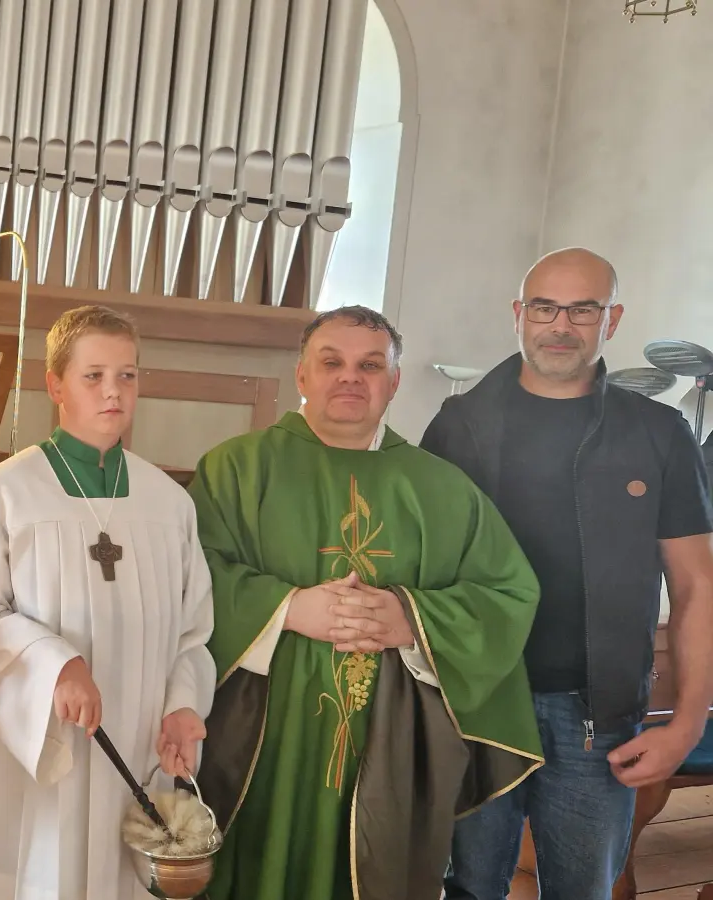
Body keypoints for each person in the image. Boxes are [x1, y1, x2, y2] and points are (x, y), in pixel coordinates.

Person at [187, 306, 543, 900]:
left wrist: (413, 620)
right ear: (302, 375)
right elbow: (191, 573)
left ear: (394, 382)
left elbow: (506, 593)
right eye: (332, 362)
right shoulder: (236, 469)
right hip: (262, 730)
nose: (350, 377)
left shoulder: (444, 488)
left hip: (392, 729)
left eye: (371, 365)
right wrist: (287, 609)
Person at [427, 248, 713, 899]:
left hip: (596, 716)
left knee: (584, 891)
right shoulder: (458, 426)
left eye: (583, 310)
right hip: (475, 706)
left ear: (612, 319)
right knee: (467, 887)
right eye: (545, 308)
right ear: (519, 314)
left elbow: (696, 586)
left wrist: (687, 722)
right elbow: (421, 569)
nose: (561, 325)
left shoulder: (660, 433)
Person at [0, 305, 215, 900]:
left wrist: (183, 705)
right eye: (93, 376)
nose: (113, 391)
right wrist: (55, 663)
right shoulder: (11, 489)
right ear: (56, 385)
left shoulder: (169, 503)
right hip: (43, 743)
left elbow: (193, 632)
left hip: (138, 739)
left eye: (127, 375)